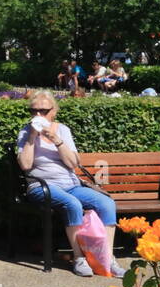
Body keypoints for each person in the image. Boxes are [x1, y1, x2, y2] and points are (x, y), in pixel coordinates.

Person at [16, 91, 124, 277]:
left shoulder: (63, 130)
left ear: (53, 111)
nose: (38, 115)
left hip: (71, 184)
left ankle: (106, 258)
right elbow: (25, 165)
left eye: (43, 111)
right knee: (72, 203)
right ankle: (79, 258)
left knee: (106, 203)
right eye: (33, 111)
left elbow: (73, 164)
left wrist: (56, 140)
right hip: (41, 186)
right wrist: (33, 137)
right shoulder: (25, 132)